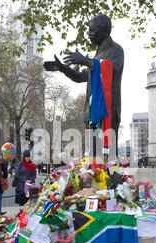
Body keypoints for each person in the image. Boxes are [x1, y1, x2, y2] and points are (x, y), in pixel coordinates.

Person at [44, 14, 124, 159]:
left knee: (107, 156)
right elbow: (82, 77)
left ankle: (108, 180)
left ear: (104, 30)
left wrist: (86, 60)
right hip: (91, 111)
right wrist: (62, 68)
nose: (88, 34)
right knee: (93, 155)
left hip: (107, 111)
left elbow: (112, 70)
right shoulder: (98, 54)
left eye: (92, 30)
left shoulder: (116, 50)